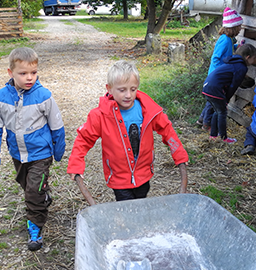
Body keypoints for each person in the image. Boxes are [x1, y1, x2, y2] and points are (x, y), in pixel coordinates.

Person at [67, 60, 188, 202]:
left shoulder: (148, 110)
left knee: (141, 199)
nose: (128, 95)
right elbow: (84, 139)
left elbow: (167, 130)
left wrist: (179, 154)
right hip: (119, 176)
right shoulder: (101, 115)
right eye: (122, 90)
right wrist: (76, 163)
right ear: (109, 89)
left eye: (133, 89)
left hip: (143, 172)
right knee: (126, 205)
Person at [0, 47, 65, 252]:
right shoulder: (1, 98)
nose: (29, 78)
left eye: (33, 72)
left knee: (32, 191)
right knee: (28, 185)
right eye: (23, 73)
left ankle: (35, 228)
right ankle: (43, 196)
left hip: (41, 153)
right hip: (18, 154)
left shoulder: (44, 96)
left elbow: (56, 125)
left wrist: (59, 149)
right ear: (10, 73)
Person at [196, 7, 243, 130]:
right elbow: (216, 57)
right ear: (233, 27)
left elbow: (230, 49)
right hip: (217, 75)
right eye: (239, 27)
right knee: (215, 100)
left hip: (219, 75)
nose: (240, 29)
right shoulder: (224, 40)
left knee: (212, 100)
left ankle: (202, 119)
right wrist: (218, 71)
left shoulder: (229, 40)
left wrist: (238, 46)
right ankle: (207, 124)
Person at [202, 44, 256, 143]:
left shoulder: (232, 61)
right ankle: (224, 138)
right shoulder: (241, 67)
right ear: (247, 57)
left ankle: (213, 136)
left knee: (217, 111)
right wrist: (226, 99)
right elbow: (234, 85)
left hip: (207, 86)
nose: (254, 61)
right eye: (254, 58)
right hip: (215, 89)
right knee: (222, 112)